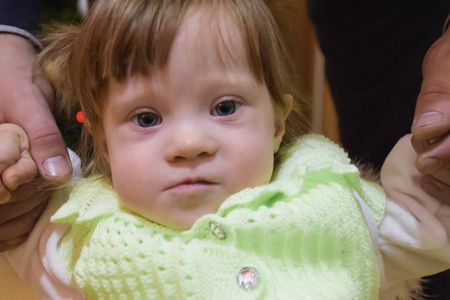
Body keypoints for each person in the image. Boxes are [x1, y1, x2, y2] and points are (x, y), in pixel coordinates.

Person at [4, 0, 450, 298]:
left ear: (277, 123)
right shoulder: (81, 231)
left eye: (224, 107)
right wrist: (14, 163)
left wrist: (432, 150)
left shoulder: (330, 199)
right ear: (103, 141)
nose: (189, 144)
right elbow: (19, 219)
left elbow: (424, 214)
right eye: (146, 119)